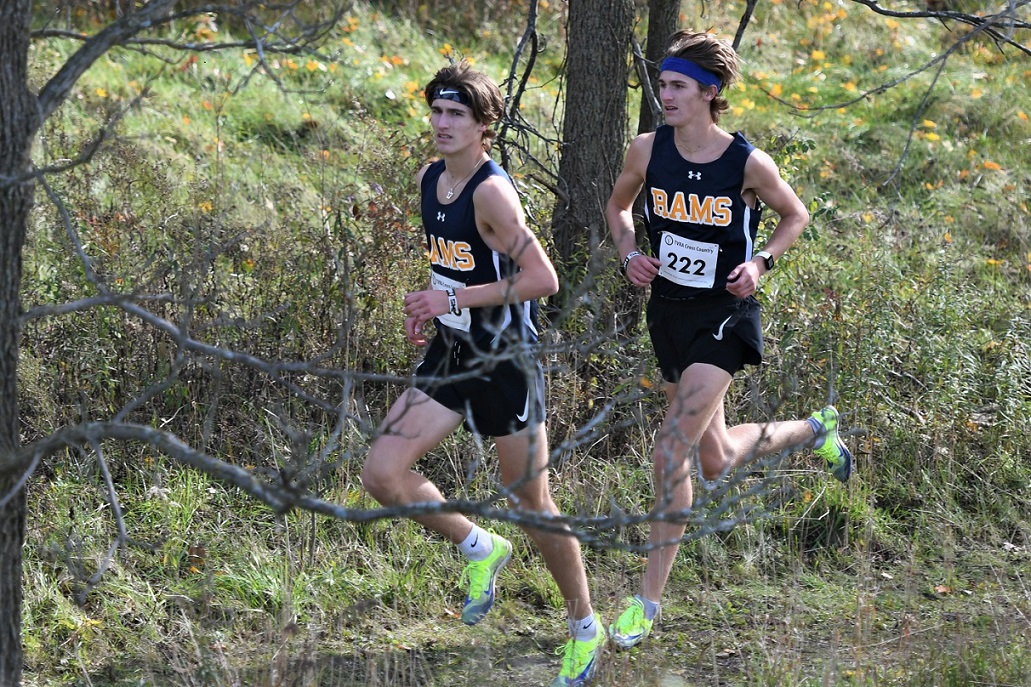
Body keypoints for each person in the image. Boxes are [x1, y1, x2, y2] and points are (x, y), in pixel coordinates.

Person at [604, 30, 854, 650]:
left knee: (669, 452)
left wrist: (762, 262)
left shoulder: (745, 162)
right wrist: (630, 252)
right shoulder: (646, 149)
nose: (665, 95)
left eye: (678, 87)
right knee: (712, 460)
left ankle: (645, 604)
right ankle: (816, 430)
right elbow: (618, 210)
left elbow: (795, 214)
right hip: (668, 314)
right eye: (662, 84)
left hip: (725, 314)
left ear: (710, 93)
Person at [360, 61, 604, 686]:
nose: (442, 125)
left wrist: (452, 301)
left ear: (482, 125)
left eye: (456, 116)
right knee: (383, 473)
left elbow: (542, 280)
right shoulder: (429, 180)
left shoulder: (492, 193)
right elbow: (457, 271)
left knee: (530, 501)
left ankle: (583, 623)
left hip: (504, 363)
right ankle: (478, 546)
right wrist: (433, 305)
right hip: (451, 352)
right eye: (436, 112)